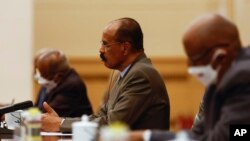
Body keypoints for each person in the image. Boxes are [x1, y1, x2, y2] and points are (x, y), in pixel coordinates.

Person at [129, 13, 250, 141]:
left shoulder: (242, 78)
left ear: (220, 57)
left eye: (194, 59)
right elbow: (198, 135)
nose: (190, 67)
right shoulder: (218, 79)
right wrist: (144, 136)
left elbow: (222, 137)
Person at [41, 17, 170, 132]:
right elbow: (100, 117)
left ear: (125, 48)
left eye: (105, 44)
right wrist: (60, 122)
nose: (101, 49)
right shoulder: (125, 73)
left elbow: (112, 124)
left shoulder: (140, 75)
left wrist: (61, 124)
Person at [34, 48, 93, 117]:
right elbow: (37, 109)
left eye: (43, 75)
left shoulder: (72, 86)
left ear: (58, 76)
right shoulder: (49, 82)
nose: (39, 77)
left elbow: (47, 113)